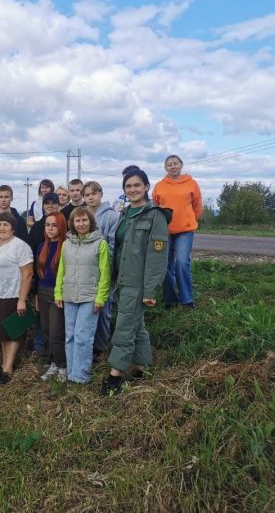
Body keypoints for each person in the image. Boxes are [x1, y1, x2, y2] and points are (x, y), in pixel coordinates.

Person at [101, 169, 171, 397]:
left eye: (137, 185)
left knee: (123, 329)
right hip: (122, 281)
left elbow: (157, 257)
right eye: (128, 186)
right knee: (136, 325)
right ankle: (141, 367)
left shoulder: (155, 216)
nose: (132, 190)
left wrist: (150, 289)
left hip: (138, 284)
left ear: (147, 187)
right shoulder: (125, 214)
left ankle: (115, 377)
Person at [55, 207, 110, 384]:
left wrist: (100, 297)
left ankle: (81, 376)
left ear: (91, 221)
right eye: (77, 221)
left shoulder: (100, 243)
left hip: (89, 297)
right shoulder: (67, 243)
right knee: (70, 335)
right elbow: (61, 270)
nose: (81, 224)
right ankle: (71, 373)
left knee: (82, 336)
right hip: (69, 296)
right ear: (72, 223)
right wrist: (58, 293)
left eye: (84, 220)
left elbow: (105, 273)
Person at [0, 212, 34, 384]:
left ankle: (7, 368)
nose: (1, 228)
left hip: (11, 294)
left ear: (13, 227)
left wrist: (21, 299)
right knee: (2, 334)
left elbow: (27, 275)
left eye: (5, 224)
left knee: (12, 333)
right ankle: (6, 363)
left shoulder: (20, 246)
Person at [152, 155, 202, 309]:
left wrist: (190, 220)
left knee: (181, 262)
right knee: (165, 264)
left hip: (185, 231)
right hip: (164, 231)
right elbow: (155, 206)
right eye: (169, 164)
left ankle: (187, 299)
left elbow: (197, 206)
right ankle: (170, 299)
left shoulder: (191, 183)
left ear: (181, 165)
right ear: (165, 167)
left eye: (175, 163)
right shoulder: (160, 186)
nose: (172, 166)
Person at [82, 181, 120, 358]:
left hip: (103, 271)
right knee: (87, 309)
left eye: (94, 193)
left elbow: (113, 245)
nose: (91, 197)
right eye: (87, 195)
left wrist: (105, 267)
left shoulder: (112, 216)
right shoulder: (81, 215)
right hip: (85, 271)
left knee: (103, 309)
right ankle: (87, 346)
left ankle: (101, 347)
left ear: (101, 194)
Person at [35, 213, 68, 381]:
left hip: (58, 294)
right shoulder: (42, 247)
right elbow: (38, 274)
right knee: (46, 329)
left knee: (56, 332)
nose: (50, 228)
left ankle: (62, 365)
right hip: (43, 292)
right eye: (47, 225)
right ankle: (52, 362)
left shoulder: (66, 246)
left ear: (61, 227)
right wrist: (36, 295)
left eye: (54, 225)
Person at [0, 185, 29, 249]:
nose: (3, 200)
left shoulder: (20, 221)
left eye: (6, 197)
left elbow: (25, 245)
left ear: (11, 198)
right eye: (1, 197)